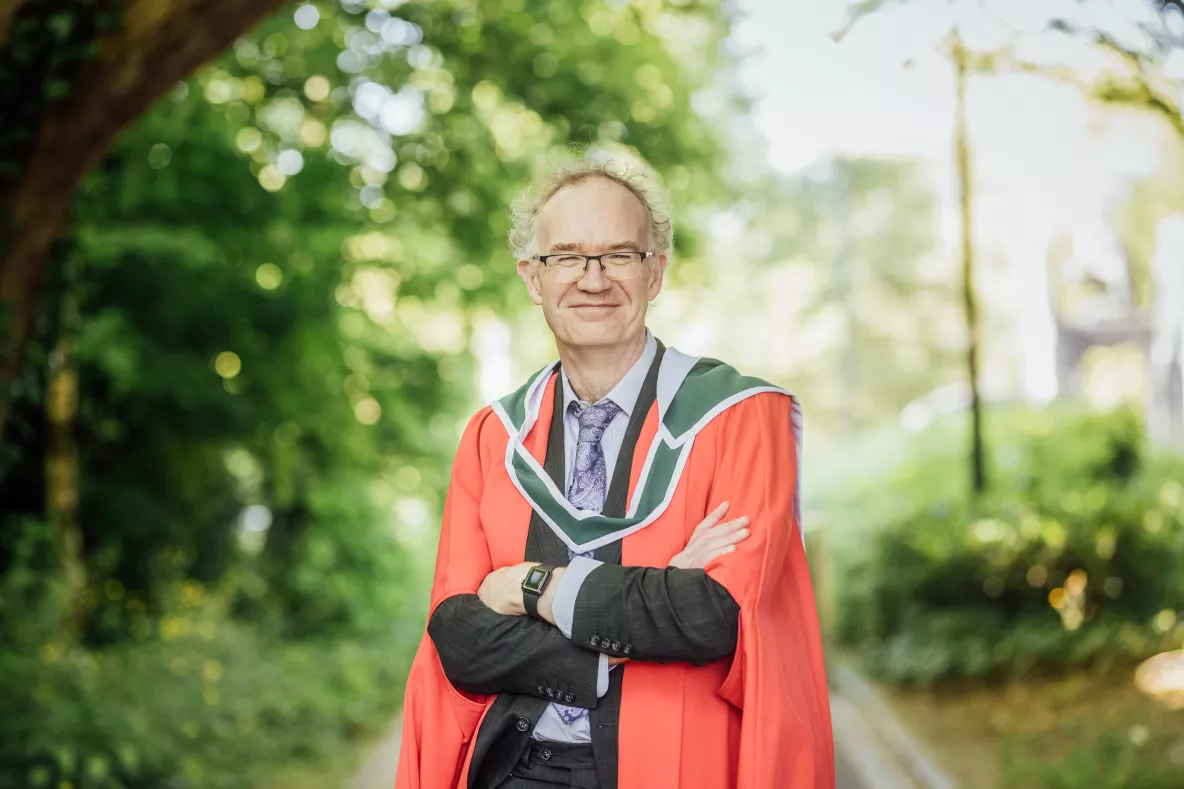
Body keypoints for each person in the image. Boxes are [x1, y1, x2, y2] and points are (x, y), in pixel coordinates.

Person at [396, 157, 834, 789]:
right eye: (567, 257)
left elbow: (712, 615)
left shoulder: (739, 417)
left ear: (655, 272)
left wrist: (527, 585)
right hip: (512, 770)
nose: (593, 279)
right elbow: (460, 636)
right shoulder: (493, 437)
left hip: (675, 768)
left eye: (619, 255)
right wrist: (650, 596)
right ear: (532, 278)